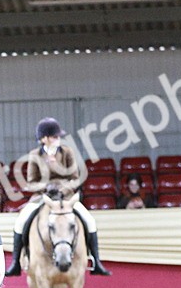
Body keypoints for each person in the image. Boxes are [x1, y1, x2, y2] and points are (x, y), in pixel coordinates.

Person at [6, 117, 111, 277]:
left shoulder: (67, 152)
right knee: (20, 222)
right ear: (44, 139)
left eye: (58, 137)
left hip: (66, 197)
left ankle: (96, 261)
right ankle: (15, 263)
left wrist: (63, 188)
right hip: (43, 197)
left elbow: (76, 178)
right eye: (55, 137)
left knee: (89, 220)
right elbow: (31, 183)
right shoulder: (34, 155)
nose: (58, 139)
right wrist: (46, 187)